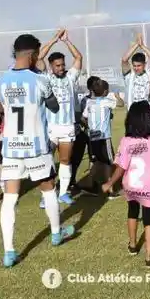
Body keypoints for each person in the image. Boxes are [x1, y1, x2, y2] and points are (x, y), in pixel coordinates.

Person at [0, 34, 74, 268]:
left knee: (10, 197)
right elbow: (54, 107)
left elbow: (0, 108)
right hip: (36, 147)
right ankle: (57, 234)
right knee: (49, 190)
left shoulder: (0, 81)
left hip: (11, 149)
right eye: (38, 54)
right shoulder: (40, 80)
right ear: (31, 54)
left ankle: (9, 251)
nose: (39, 58)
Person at [103, 102, 150, 268]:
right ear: (148, 119)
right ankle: (149, 257)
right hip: (149, 187)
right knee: (149, 219)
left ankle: (132, 245)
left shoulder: (125, 141)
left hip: (131, 186)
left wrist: (110, 182)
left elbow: (121, 167)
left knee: (132, 212)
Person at [37, 28, 84, 205]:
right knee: (47, 160)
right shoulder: (45, 77)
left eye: (63, 64)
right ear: (51, 66)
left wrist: (66, 41)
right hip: (50, 127)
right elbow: (39, 58)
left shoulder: (70, 77)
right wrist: (53, 40)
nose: (61, 68)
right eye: (57, 65)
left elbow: (79, 58)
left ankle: (63, 193)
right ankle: (46, 195)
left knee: (65, 160)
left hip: (67, 126)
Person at [82, 78, 123, 195]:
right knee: (109, 163)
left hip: (93, 138)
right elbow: (121, 104)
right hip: (104, 138)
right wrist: (117, 96)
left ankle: (90, 185)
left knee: (97, 162)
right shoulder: (106, 101)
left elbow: (83, 117)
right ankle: (110, 190)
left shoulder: (89, 102)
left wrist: (90, 127)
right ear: (105, 91)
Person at [121, 33, 150, 109]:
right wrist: (136, 45)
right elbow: (124, 60)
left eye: (139, 66)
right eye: (134, 66)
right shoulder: (129, 76)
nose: (136, 68)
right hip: (133, 113)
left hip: (146, 113)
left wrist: (142, 46)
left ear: (144, 64)